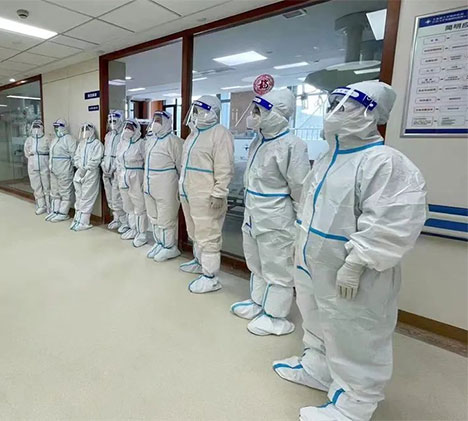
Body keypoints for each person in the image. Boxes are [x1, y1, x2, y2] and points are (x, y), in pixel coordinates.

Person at [271, 81, 426, 421]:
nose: (333, 112)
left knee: (354, 333)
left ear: (370, 113)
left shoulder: (384, 162)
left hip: (354, 271)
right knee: (315, 318)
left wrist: (356, 263)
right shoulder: (329, 158)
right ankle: (318, 368)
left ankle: (355, 404)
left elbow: (392, 223)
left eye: (345, 105)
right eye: (332, 104)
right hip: (313, 263)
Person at [230, 89, 310, 336]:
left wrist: (300, 222)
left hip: (276, 218)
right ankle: (258, 302)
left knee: (277, 267)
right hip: (253, 214)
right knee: (256, 262)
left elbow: (300, 188)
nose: (253, 115)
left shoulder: (292, 145)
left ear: (276, 113)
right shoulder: (258, 141)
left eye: (258, 111)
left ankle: (276, 317)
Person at [178, 95, 234, 293]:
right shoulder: (193, 134)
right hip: (189, 192)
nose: (194, 114)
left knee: (208, 234)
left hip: (206, 195)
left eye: (198, 110)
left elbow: (225, 166)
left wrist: (219, 193)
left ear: (210, 111)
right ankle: (199, 261)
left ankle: (210, 276)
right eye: (194, 110)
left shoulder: (220, 134)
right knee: (195, 231)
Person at [143, 110, 183, 261]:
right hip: (149, 185)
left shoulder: (174, 142)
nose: (155, 123)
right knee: (153, 216)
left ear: (167, 122)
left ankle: (169, 246)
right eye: (154, 120)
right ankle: (159, 242)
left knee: (166, 217)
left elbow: (181, 166)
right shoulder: (150, 140)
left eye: (159, 120)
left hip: (166, 186)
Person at [115, 118, 148, 247]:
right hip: (123, 175)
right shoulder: (121, 143)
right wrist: (118, 173)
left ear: (136, 130)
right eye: (126, 127)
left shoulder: (141, 143)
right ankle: (133, 228)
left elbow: (146, 161)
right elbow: (118, 160)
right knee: (128, 205)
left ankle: (142, 233)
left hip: (136, 175)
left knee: (139, 205)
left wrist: (145, 179)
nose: (127, 130)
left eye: (130, 128)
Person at [71, 123, 104, 231]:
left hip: (91, 173)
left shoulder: (97, 144)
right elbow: (76, 156)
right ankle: (77, 219)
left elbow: (96, 159)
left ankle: (84, 221)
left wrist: (86, 169)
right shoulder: (82, 144)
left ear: (92, 131)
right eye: (83, 130)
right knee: (79, 196)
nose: (85, 132)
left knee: (87, 197)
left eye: (87, 129)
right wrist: (79, 167)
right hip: (79, 172)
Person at [101, 111, 129, 232]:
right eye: (110, 121)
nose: (112, 123)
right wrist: (104, 165)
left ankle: (125, 221)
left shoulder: (124, 135)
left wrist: (114, 167)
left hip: (118, 169)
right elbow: (106, 152)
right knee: (110, 195)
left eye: (115, 121)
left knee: (118, 195)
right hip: (106, 168)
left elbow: (121, 153)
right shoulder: (108, 136)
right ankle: (116, 218)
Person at [47, 118, 77, 222]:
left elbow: (74, 155)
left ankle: (63, 213)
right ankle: (55, 210)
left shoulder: (69, 139)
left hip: (64, 169)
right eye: (55, 127)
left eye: (58, 127)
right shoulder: (55, 139)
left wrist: (73, 167)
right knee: (55, 191)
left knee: (65, 192)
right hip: (54, 169)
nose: (56, 129)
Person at [23, 119, 50, 215]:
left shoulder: (47, 138)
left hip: (44, 162)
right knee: (36, 185)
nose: (36, 129)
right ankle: (41, 205)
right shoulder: (29, 140)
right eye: (34, 127)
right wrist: (32, 158)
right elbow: (26, 152)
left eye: (38, 127)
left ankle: (49, 206)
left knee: (47, 184)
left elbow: (51, 151)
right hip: (32, 163)